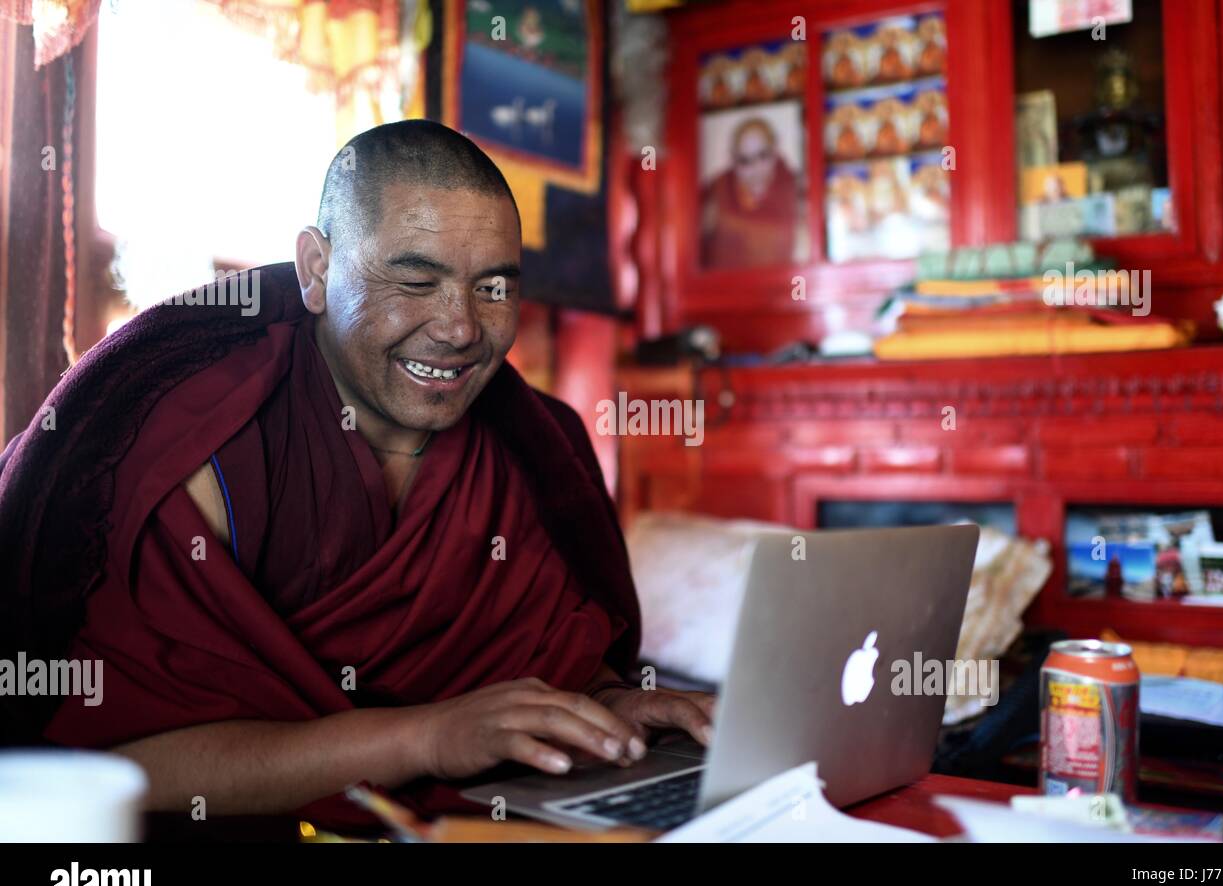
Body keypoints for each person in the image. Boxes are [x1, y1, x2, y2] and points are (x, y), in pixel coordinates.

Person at [0, 120, 713, 825]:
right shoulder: (204, 447)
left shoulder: (527, 449)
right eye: (415, 278)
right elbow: (107, 768)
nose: (461, 327)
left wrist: (609, 704)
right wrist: (426, 737)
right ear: (316, 270)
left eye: (493, 287)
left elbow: (544, 660)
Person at [699, 116, 801, 268]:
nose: (756, 168)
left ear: (775, 150)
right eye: (745, 160)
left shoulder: (797, 190)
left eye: (763, 155)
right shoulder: (717, 193)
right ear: (733, 159)